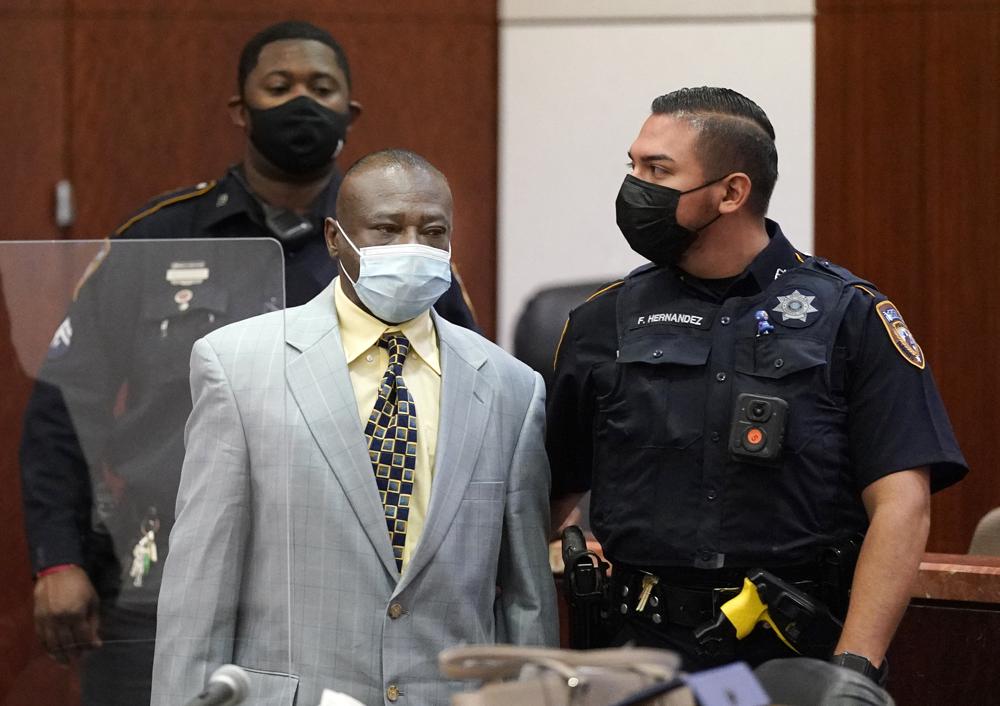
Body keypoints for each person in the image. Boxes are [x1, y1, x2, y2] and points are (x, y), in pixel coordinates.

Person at [20, 20, 478, 706]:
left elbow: (464, 407)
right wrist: (58, 557)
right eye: (280, 86)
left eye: (321, 89)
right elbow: (63, 408)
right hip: (159, 567)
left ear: (349, 116)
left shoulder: (393, 255)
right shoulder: (158, 237)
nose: (301, 102)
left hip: (337, 582)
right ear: (242, 109)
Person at [546, 87, 968, 682]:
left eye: (658, 170)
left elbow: (902, 504)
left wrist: (853, 669)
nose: (635, 186)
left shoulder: (850, 316)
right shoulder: (601, 321)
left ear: (732, 192)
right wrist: (565, 545)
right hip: (636, 654)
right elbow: (548, 488)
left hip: (795, 652)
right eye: (633, 166)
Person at [150, 149, 557, 706]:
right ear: (335, 238)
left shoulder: (512, 388)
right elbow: (201, 584)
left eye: (432, 231)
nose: (411, 247)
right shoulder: (239, 365)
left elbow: (527, 602)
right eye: (387, 229)